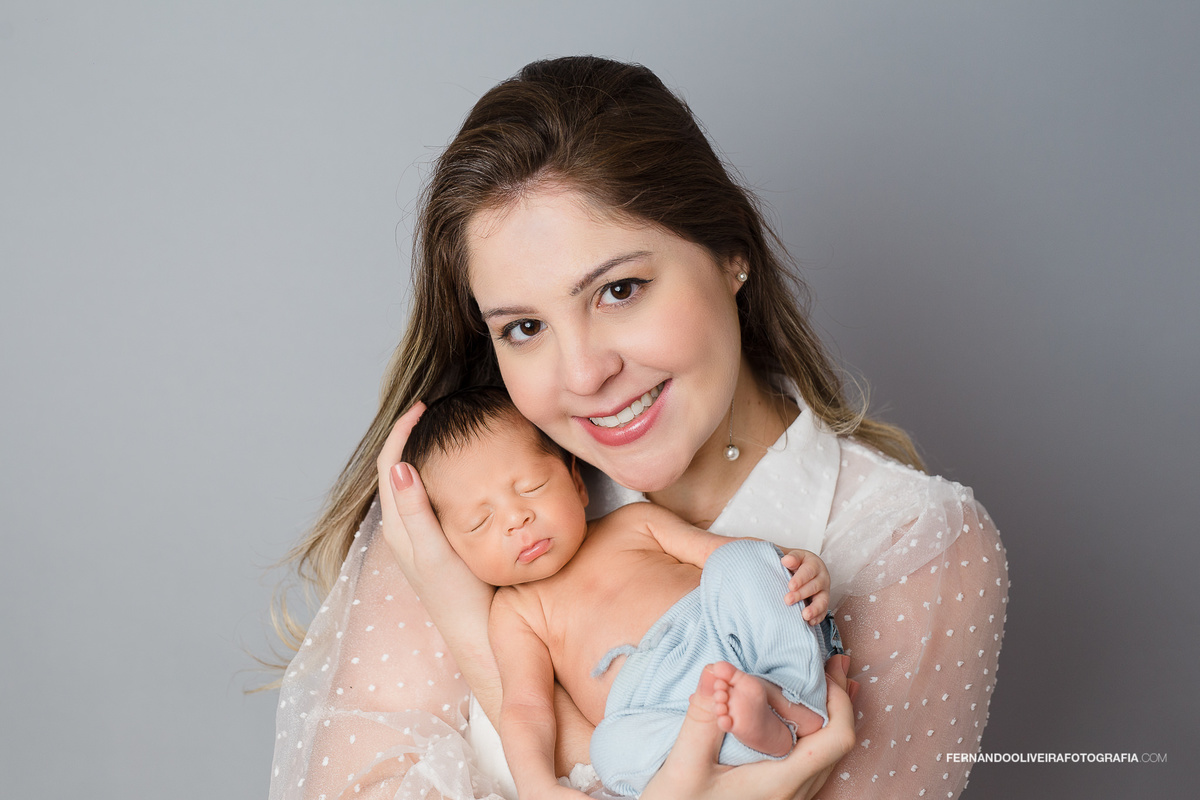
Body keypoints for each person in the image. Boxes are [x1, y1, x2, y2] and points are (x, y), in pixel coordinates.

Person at [268, 56, 1007, 800]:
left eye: (619, 290)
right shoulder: (468, 508)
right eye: (524, 326)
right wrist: (470, 614)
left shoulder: (913, 544)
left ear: (731, 256)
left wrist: (473, 643)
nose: (583, 375)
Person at [401, 386, 842, 798]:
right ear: (456, 550)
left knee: (742, 560)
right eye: (480, 522)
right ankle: (759, 733)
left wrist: (798, 566)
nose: (517, 519)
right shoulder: (516, 612)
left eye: (532, 488)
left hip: (721, 630)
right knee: (611, 749)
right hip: (658, 704)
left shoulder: (633, 523)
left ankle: (791, 691)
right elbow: (526, 709)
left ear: (577, 484)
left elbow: (731, 559)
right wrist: (538, 785)